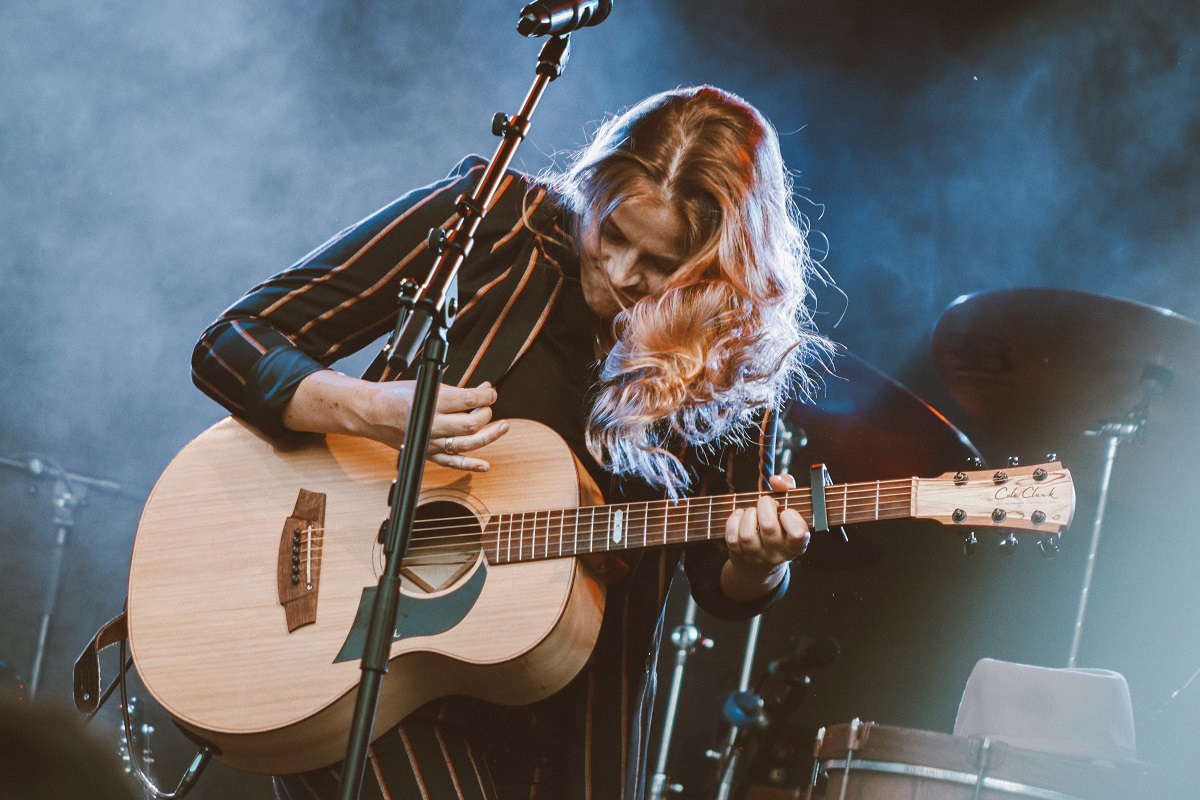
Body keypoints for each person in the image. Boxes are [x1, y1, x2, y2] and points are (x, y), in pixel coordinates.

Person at [192, 85, 828, 800]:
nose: (620, 275)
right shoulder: (492, 228)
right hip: (359, 662)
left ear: (718, 269)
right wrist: (369, 408)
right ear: (591, 189)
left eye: (661, 263)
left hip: (573, 722)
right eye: (612, 233)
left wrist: (761, 562)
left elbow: (723, 580)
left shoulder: (730, 359)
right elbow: (231, 344)